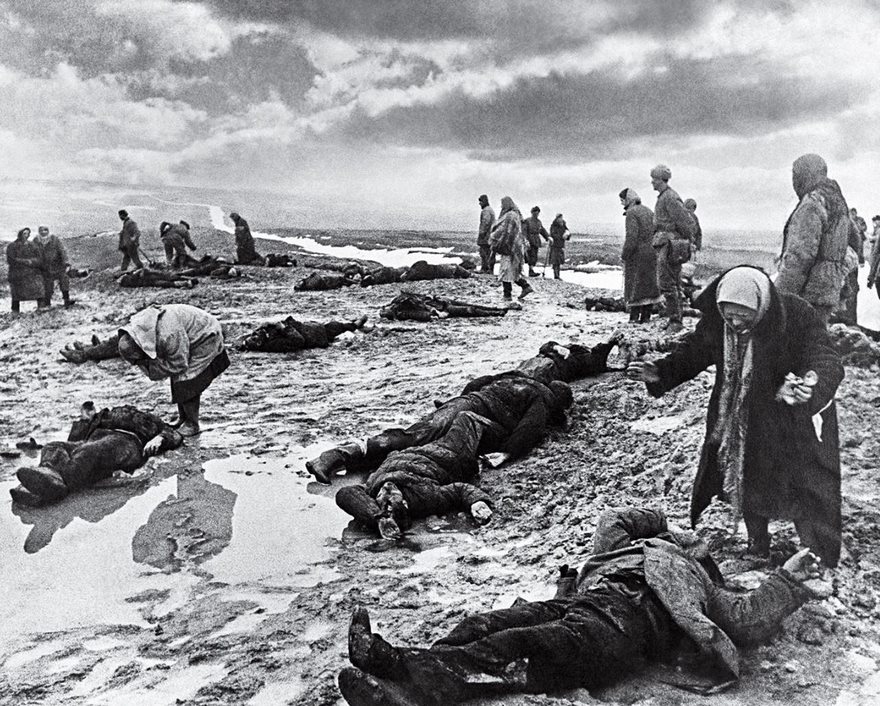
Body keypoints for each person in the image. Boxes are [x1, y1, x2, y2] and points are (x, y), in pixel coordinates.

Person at [337, 506, 822, 705]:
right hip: (583, 607)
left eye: (702, 540)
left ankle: (405, 676)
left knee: (518, 645)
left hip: (624, 635)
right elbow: (614, 517)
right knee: (483, 623)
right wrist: (661, 523)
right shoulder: (627, 547)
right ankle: (401, 673)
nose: (696, 538)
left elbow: (747, 620)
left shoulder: (704, 585)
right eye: (689, 532)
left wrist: (787, 581)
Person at [627, 266, 844, 566]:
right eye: (729, 315)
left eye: (744, 315)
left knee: (804, 484)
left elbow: (823, 354)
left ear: (761, 305)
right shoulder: (718, 322)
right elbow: (695, 352)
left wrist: (812, 380)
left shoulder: (794, 313)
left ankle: (816, 551)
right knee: (748, 475)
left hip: (793, 416)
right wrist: (661, 371)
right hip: (744, 418)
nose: (736, 322)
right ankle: (758, 544)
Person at [307, 374, 572, 483]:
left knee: (414, 436)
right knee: (420, 441)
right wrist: (509, 453)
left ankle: (347, 457)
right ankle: (335, 456)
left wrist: (451, 403)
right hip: (474, 418)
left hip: (465, 403)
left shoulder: (516, 377)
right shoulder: (542, 398)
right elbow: (531, 428)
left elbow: (477, 383)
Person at [335, 411, 502, 539]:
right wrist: (477, 502)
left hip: (411, 450)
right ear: (405, 504)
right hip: (448, 454)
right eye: (391, 496)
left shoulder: (373, 491)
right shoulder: (426, 496)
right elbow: (460, 490)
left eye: (382, 495)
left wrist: (379, 517)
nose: (386, 487)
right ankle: (509, 441)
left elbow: (345, 493)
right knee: (466, 418)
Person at [9, 402, 183, 507]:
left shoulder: (137, 417)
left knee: (88, 453)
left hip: (126, 442)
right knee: (52, 446)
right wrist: (85, 420)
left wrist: (159, 438)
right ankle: (47, 478)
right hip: (91, 441)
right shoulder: (97, 420)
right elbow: (73, 442)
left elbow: (172, 433)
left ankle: (50, 489)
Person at [117, 304, 230, 437]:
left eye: (137, 360)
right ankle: (183, 417)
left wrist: (154, 369)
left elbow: (179, 364)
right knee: (177, 376)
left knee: (187, 379)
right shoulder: (140, 329)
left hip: (205, 335)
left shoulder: (168, 335)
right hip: (189, 335)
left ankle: (192, 424)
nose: (138, 364)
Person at [776, 154, 853, 324]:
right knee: (817, 341)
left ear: (806, 174)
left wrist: (779, 297)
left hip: (807, 294)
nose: (794, 181)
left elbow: (800, 256)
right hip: (828, 290)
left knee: (799, 344)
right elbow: (852, 243)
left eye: (796, 175)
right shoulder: (838, 202)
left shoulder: (812, 203)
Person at [650, 164, 696, 333]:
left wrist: (684, 241)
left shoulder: (669, 198)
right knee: (672, 283)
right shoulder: (665, 197)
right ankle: (674, 319)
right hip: (667, 243)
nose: (652, 182)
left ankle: (675, 321)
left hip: (670, 245)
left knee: (668, 283)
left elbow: (684, 222)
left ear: (661, 180)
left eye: (654, 179)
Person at [620, 188, 660, 324]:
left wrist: (625, 255)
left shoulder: (631, 213)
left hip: (637, 255)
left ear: (628, 200)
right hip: (653, 252)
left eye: (622, 200)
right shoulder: (648, 211)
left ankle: (633, 318)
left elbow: (632, 237)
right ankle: (646, 317)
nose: (621, 203)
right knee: (649, 286)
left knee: (635, 286)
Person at [240, 315, 368, 352]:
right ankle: (355, 325)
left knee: (333, 325)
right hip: (315, 335)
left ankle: (352, 324)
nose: (255, 335)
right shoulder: (273, 344)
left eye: (253, 336)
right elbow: (298, 341)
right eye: (254, 339)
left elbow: (244, 338)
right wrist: (284, 328)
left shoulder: (262, 335)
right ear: (259, 344)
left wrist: (266, 324)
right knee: (334, 327)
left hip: (306, 327)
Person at [490, 196, 534, 301]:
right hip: (516, 247)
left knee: (506, 270)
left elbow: (505, 231)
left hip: (509, 247)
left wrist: (494, 238)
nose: (501, 207)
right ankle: (525, 286)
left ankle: (507, 295)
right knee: (513, 269)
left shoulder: (510, 215)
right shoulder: (516, 214)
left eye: (502, 204)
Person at [379, 292, 508, 321]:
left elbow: (418, 298)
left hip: (440, 302)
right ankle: (496, 312)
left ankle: (496, 310)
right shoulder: (401, 312)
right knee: (469, 310)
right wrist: (434, 314)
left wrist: (429, 297)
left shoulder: (398, 301)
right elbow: (419, 314)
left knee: (470, 307)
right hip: (442, 308)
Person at [6, 227, 47, 313]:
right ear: (20, 234)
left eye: (28, 234)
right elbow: (11, 260)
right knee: (16, 291)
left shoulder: (32, 245)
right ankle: (15, 310)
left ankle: (41, 307)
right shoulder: (12, 246)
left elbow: (39, 258)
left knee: (39, 283)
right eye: (24, 233)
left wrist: (31, 261)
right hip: (18, 271)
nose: (26, 235)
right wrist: (24, 261)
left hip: (31, 271)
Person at [34, 226, 74, 307]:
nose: (44, 232)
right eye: (41, 230)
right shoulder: (36, 241)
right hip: (46, 269)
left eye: (45, 230)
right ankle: (47, 303)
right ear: (39, 232)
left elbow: (62, 251)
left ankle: (67, 300)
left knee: (64, 280)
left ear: (48, 231)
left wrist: (66, 263)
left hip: (58, 267)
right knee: (47, 286)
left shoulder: (55, 239)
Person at [522, 206, 549, 277]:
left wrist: (548, 237)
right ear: (532, 212)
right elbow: (524, 231)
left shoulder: (538, 222)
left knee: (534, 256)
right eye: (535, 212)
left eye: (537, 212)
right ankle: (529, 270)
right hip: (529, 240)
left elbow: (542, 230)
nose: (536, 214)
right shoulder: (527, 221)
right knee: (529, 256)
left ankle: (531, 270)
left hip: (536, 240)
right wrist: (525, 239)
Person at [476, 195, 496, 274]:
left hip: (486, 236)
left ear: (484, 201)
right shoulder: (490, 210)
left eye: (480, 201)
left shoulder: (486, 211)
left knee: (484, 253)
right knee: (490, 253)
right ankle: (489, 269)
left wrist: (481, 233)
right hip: (491, 235)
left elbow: (485, 223)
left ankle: (485, 269)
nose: (479, 203)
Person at [546, 214, 569, 279]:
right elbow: (553, 234)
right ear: (557, 218)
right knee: (555, 261)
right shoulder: (553, 226)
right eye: (560, 218)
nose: (561, 219)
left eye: (561, 218)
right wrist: (561, 237)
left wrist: (567, 235)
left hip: (560, 245)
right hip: (555, 245)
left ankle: (557, 275)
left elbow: (567, 232)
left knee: (558, 261)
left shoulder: (563, 225)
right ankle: (556, 275)